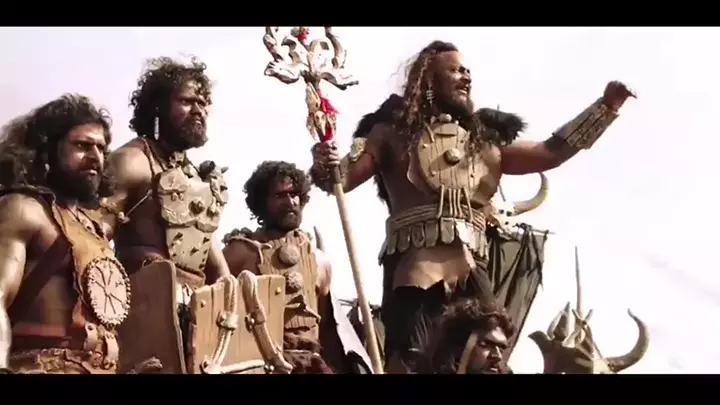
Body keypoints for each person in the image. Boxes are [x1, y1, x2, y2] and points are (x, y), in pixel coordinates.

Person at [309, 40, 636, 371]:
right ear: (429, 79)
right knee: (411, 358)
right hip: (413, 263)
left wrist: (606, 107)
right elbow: (339, 180)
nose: (465, 77)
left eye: (467, 71)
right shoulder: (391, 134)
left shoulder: (484, 143)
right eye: (455, 70)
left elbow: (550, 151)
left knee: (489, 349)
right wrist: (325, 161)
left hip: (473, 266)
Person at [100, 56, 232, 373]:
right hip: (142, 314)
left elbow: (210, 255)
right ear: (158, 106)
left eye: (203, 103)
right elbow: (91, 239)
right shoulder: (132, 161)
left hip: (198, 320)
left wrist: (233, 298)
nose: (198, 110)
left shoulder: (194, 177)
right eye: (186, 101)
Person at [0, 94, 138, 374]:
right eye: (82, 145)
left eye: (101, 148)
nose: (95, 156)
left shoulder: (95, 230)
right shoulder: (24, 209)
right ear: (48, 150)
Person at [222, 160, 372, 374]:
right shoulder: (239, 252)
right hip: (260, 363)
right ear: (261, 202)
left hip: (310, 364)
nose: (290, 201)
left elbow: (326, 328)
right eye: (280, 195)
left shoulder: (320, 261)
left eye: (294, 194)